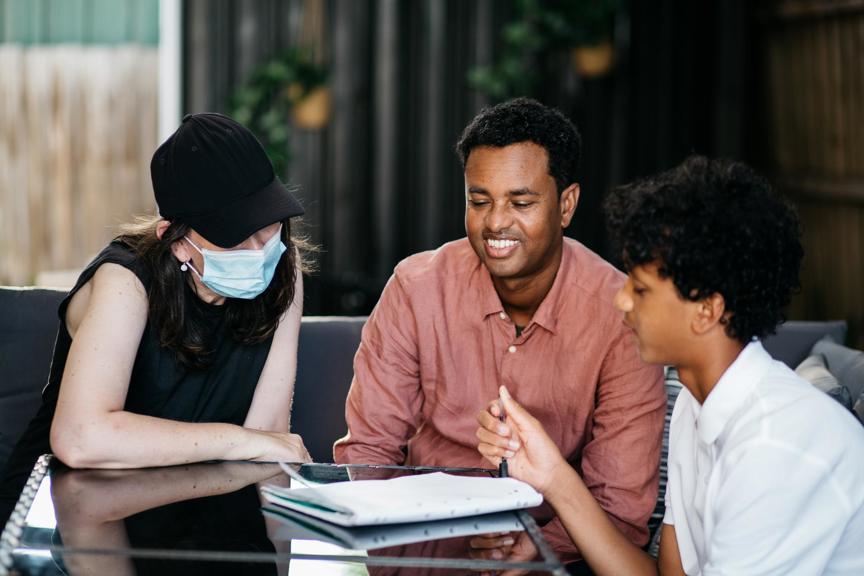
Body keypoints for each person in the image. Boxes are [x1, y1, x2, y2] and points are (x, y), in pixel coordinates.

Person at [476, 156, 864, 575]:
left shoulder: (777, 445)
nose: (621, 300)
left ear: (706, 311)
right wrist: (552, 474)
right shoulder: (694, 409)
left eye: (640, 289)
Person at [334, 98, 667, 560]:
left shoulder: (621, 315)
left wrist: (541, 549)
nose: (495, 223)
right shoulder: (416, 288)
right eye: (479, 200)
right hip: (421, 552)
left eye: (521, 201)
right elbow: (369, 456)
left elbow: (621, 508)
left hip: (553, 560)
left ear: (566, 204)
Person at [1, 113, 311, 525]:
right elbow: (80, 439)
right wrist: (237, 441)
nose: (259, 249)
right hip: (65, 514)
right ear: (175, 240)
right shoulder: (125, 281)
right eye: (234, 235)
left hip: (192, 505)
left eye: (268, 223)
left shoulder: (282, 267)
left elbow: (268, 438)